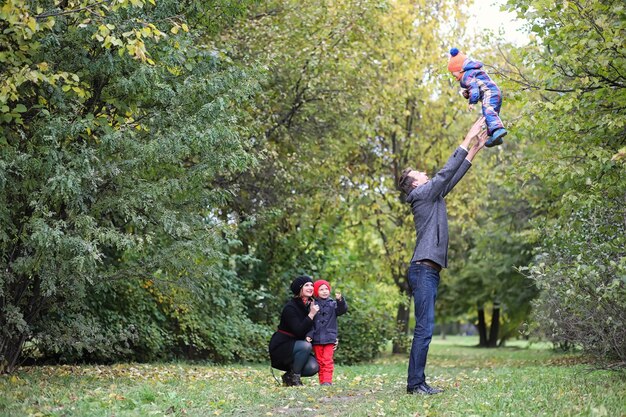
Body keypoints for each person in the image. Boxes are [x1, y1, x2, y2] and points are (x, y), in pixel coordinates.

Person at [397, 117, 488, 395]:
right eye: (420, 173)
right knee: (424, 329)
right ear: (415, 185)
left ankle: (418, 382)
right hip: (423, 270)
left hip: (429, 271)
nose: (426, 173)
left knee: (426, 329)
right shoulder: (422, 195)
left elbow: (452, 178)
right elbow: (445, 173)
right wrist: (467, 135)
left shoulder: (431, 195)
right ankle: (415, 385)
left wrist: (475, 149)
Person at [448, 47, 507, 148]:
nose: (453, 75)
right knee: (489, 114)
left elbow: (474, 89)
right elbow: (474, 88)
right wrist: (467, 94)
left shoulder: (467, 75)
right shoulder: (471, 73)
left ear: (460, 69)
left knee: (488, 111)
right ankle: (495, 136)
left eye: (454, 72)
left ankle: (498, 130)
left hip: (490, 93)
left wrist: (472, 102)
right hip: (494, 93)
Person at [268, 275, 320, 386]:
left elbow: (318, 327)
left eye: (312, 285)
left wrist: (332, 340)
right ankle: (294, 379)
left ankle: (289, 376)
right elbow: (299, 332)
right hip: (282, 347)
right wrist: (311, 314)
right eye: (307, 285)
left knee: (313, 367)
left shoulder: (312, 305)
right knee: (306, 346)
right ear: (299, 288)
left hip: (299, 347)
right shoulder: (290, 308)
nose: (311, 287)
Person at [305, 279, 348, 386]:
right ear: (316, 292)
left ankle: (327, 381)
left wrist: (340, 300)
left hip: (329, 337)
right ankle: (322, 381)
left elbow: (342, 310)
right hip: (316, 338)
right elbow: (310, 322)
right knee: (319, 361)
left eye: (326, 289)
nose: (324, 291)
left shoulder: (333, 304)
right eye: (321, 289)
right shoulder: (313, 305)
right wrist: (309, 334)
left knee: (327, 360)